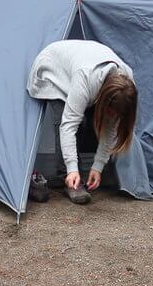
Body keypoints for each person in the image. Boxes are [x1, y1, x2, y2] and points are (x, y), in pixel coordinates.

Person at [26, 40, 138, 204]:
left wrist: (98, 167)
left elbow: (110, 130)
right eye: (109, 111)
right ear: (105, 99)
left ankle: (78, 172)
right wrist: (72, 168)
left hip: (84, 72)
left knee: (87, 121)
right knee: (68, 121)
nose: (111, 116)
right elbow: (68, 125)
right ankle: (69, 179)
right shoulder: (85, 79)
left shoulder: (126, 87)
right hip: (52, 69)